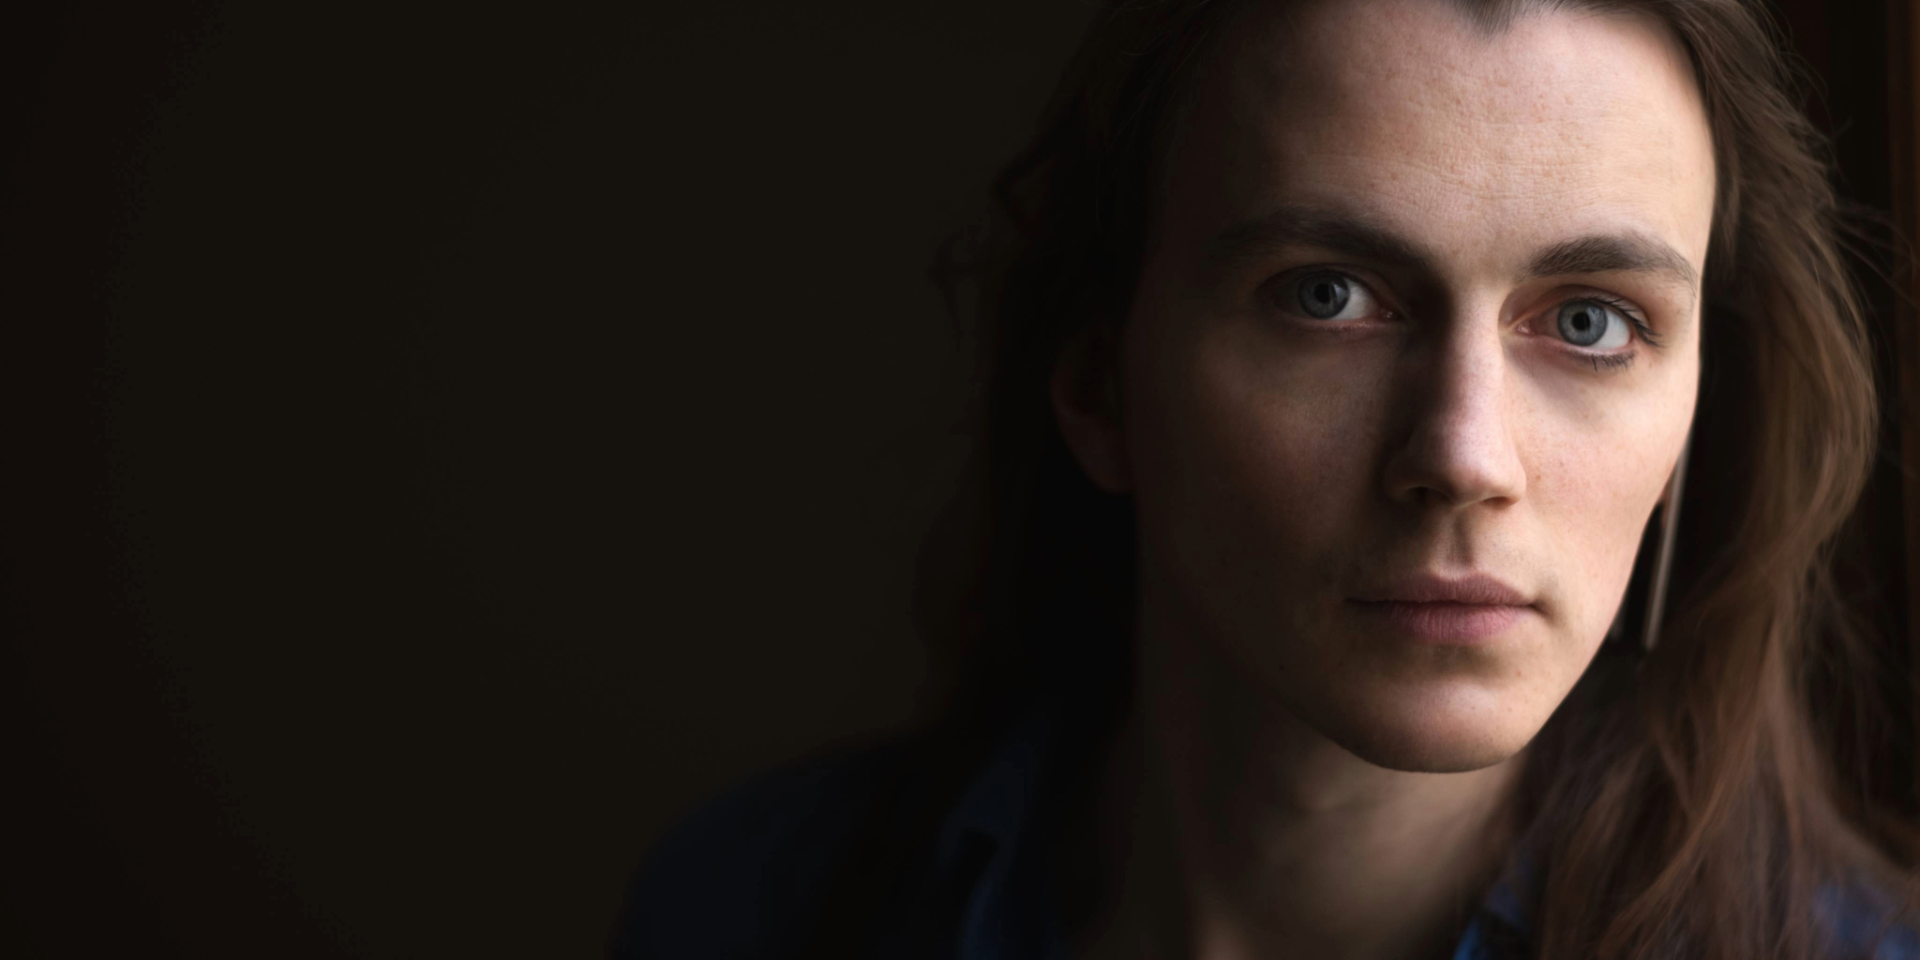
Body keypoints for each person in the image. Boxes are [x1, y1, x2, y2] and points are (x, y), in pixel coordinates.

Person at [614, 0, 1920, 957]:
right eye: (1328, 296)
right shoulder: (754, 910)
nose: (1464, 456)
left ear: (1698, 411)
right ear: (1102, 381)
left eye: (1591, 322)